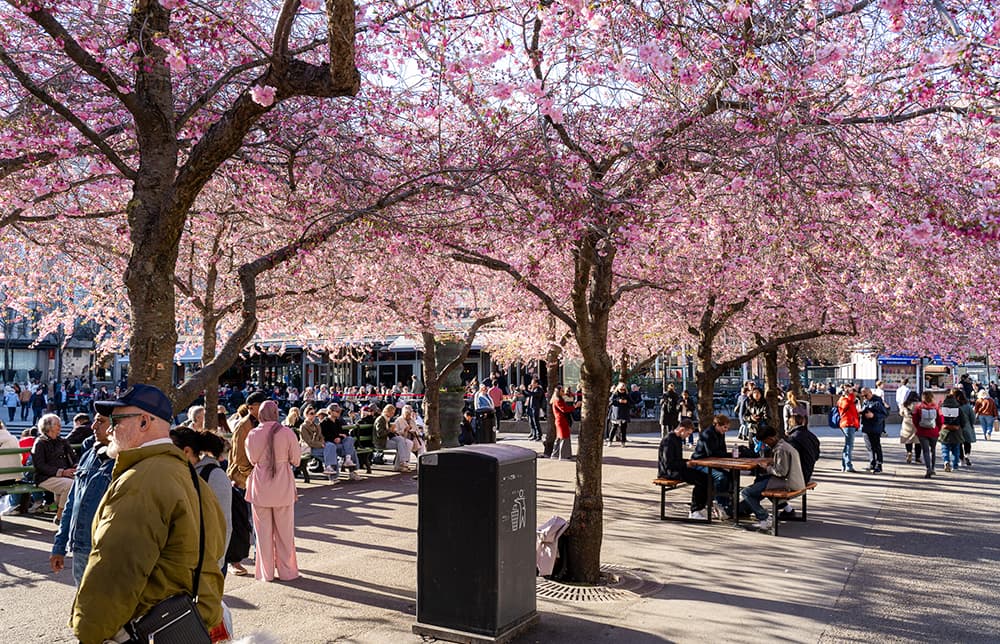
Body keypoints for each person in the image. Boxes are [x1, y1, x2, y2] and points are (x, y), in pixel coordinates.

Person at [75, 384, 226, 643]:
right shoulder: (186, 473)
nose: (110, 430)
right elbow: (216, 545)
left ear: (144, 422)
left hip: (150, 625)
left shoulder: (141, 480)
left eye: (116, 420)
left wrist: (88, 631)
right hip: (189, 620)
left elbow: (115, 569)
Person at [50, 412, 114, 585]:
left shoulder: (127, 462)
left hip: (108, 552)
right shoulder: (89, 455)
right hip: (80, 547)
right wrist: (59, 546)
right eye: (94, 421)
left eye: (100, 422)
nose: (93, 426)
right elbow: (72, 503)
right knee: (83, 603)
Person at [245, 400, 300, 582]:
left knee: (263, 534)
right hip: (282, 484)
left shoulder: (252, 434)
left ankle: (265, 572)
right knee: (285, 533)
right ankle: (287, 572)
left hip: (261, 485)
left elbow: (252, 459)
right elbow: (297, 460)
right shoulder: (287, 432)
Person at [171, 427, 232, 575]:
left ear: (186, 451)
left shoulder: (214, 476)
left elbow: (223, 525)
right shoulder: (179, 474)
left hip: (207, 565)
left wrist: (213, 565)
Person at [226, 390, 264, 575]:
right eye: (261, 404)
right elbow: (239, 459)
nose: (265, 407)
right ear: (251, 408)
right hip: (243, 479)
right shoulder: (244, 426)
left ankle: (261, 557)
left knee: (259, 521)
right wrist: (252, 477)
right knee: (242, 522)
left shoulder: (265, 423)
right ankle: (235, 561)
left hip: (260, 478)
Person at [740, 425, 805, 532]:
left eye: (765, 442)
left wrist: (767, 467)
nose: (766, 445)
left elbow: (780, 472)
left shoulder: (780, 450)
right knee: (758, 483)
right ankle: (786, 509)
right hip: (795, 480)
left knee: (746, 492)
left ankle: (764, 518)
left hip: (789, 483)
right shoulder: (784, 445)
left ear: (771, 438)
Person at [657, 418, 710, 519]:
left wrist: (688, 462)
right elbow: (669, 463)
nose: (688, 436)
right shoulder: (669, 440)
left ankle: (700, 507)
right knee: (700, 479)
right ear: (682, 430)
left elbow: (678, 460)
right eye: (688, 434)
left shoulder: (677, 439)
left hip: (677, 469)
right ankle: (695, 510)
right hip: (668, 472)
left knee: (705, 477)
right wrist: (686, 464)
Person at [32, 413, 76, 523]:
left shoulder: (62, 441)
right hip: (45, 477)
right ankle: (60, 515)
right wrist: (62, 472)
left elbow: (73, 459)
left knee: (82, 481)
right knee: (70, 485)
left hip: (63, 476)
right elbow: (40, 465)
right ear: (48, 426)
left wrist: (75, 467)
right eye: (57, 424)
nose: (60, 427)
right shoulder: (40, 443)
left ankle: (71, 513)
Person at [692, 414, 734, 519]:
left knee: (730, 476)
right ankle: (719, 503)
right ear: (717, 425)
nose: (726, 430)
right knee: (720, 477)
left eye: (727, 428)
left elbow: (722, 451)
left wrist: (728, 455)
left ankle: (726, 504)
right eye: (725, 427)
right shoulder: (708, 434)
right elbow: (712, 453)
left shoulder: (720, 434)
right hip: (699, 463)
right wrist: (729, 455)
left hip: (712, 463)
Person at [912, 391, 941, 478]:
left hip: (922, 431)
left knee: (925, 451)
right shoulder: (936, 407)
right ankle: (933, 468)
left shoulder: (918, 407)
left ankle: (928, 468)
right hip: (934, 431)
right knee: (933, 450)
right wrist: (938, 428)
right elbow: (941, 419)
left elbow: (914, 419)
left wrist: (918, 427)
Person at [859, 387, 888, 473]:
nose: (864, 397)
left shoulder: (877, 402)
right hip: (866, 426)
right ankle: (872, 463)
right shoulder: (865, 401)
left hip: (875, 427)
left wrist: (874, 416)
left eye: (866, 395)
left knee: (876, 446)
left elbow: (884, 414)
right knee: (869, 447)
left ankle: (879, 464)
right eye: (862, 396)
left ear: (870, 393)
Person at [374, 404, 411, 471]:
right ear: (387, 411)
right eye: (392, 412)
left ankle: (402, 462)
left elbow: (389, 433)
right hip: (381, 442)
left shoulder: (387, 419)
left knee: (402, 440)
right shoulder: (381, 419)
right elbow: (379, 434)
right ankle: (401, 463)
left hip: (386, 439)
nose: (393, 414)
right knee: (400, 444)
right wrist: (390, 430)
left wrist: (393, 431)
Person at [785, 414, 820, 483]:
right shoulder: (811, 435)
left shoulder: (793, 438)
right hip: (809, 469)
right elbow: (816, 455)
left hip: (798, 472)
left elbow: (790, 458)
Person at [550, 386, 579, 460]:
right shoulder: (558, 400)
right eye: (562, 391)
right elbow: (564, 409)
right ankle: (564, 456)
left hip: (560, 420)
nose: (564, 392)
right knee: (564, 437)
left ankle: (555, 455)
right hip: (562, 420)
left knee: (559, 438)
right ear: (559, 392)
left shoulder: (557, 399)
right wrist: (575, 406)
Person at [836, 385, 860, 473]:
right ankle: (848, 465)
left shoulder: (848, 401)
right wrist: (850, 394)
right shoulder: (844, 400)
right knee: (849, 445)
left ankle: (845, 465)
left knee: (848, 445)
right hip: (848, 424)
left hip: (850, 423)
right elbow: (848, 404)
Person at [939, 390, 963, 472]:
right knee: (956, 449)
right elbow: (963, 421)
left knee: (945, 448)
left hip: (945, 431)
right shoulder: (958, 408)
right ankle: (955, 465)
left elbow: (938, 419)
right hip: (956, 431)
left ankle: (946, 461)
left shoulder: (942, 408)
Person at [898, 391, 924, 464]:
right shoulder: (920, 404)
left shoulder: (905, 404)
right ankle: (917, 458)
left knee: (908, 440)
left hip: (907, 423)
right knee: (918, 441)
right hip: (917, 424)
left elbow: (901, 413)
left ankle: (909, 452)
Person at [956, 389, 976, 468]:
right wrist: (971, 424)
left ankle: (961, 459)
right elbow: (972, 417)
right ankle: (967, 455)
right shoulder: (967, 406)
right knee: (967, 442)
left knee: (959, 444)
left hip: (957, 426)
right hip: (967, 426)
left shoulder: (956, 406)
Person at [606, 382, 630, 446]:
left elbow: (631, 402)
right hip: (616, 414)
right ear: (618, 389)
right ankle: (610, 441)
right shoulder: (615, 394)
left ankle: (623, 442)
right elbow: (611, 401)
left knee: (623, 429)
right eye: (621, 389)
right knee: (614, 428)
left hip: (624, 413)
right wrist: (618, 401)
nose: (622, 391)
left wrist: (626, 402)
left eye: (623, 389)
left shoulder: (627, 395)